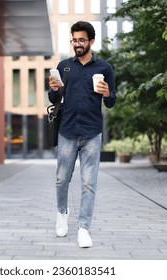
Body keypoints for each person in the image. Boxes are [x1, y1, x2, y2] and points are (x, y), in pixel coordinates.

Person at [48, 21, 116, 248]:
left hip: (91, 133)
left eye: (81, 40)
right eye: (74, 40)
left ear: (91, 41)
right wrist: (54, 90)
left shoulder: (104, 68)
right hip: (67, 131)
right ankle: (61, 213)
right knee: (61, 179)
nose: (77, 44)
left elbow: (111, 101)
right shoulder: (65, 66)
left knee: (89, 184)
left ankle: (84, 229)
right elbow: (54, 98)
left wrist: (107, 93)